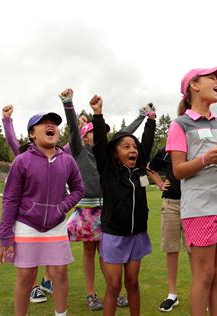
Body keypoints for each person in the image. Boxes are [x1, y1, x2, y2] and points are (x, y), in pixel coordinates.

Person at [58, 88, 148, 311]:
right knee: (90, 252)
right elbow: (72, 131)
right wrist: (68, 103)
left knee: (106, 254)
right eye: (96, 132)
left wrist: (141, 116)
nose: (101, 135)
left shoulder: (110, 156)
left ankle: (113, 291)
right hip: (87, 211)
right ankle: (91, 294)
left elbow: (125, 136)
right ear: (86, 134)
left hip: (107, 210)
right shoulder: (79, 150)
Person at [166, 65, 217, 316]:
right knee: (205, 274)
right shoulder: (180, 124)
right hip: (199, 209)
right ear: (193, 86)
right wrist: (206, 159)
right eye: (212, 77)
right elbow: (178, 170)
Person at [0, 111, 84, 316]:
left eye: (53, 123)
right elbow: (10, 199)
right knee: (26, 276)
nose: (50, 126)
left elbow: (79, 189)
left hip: (56, 226)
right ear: (32, 134)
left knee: (60, 274)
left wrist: (61, 207)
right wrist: (5, 237)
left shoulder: (67, 161)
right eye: (44, 123)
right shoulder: (22, 161)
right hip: (27, 225)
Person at [91, 94, 156, 316]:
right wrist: (98, 115)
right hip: (114, 235)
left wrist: (151, 121)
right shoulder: (107, 170)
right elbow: (100, 145)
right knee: (113, 286)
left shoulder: (138, 170)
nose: (133, 150)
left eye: (134, 147)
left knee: (133, 284)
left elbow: (146, 144)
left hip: (137, 234)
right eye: (126, 146)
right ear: (115, 154)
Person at [1, 104, 55, 303]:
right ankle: (33, 288)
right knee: (29, 258)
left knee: (51, 253)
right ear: (32, 134)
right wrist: (7, 120)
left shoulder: (57, 155)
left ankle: (47, 281)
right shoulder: (23, 157)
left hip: (51, 216)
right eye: (42, 124)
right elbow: (12, 141)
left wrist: (79, 129)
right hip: (28, 218)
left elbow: (71, 147)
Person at [147, 146, 182, 312]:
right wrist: (160, 184)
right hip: (170, 204)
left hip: (194, 204)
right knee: (171, 249)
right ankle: (172, 294)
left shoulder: (194, 145)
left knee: (196, 251)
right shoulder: (166, 150)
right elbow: (150, 168)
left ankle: (200, 293)